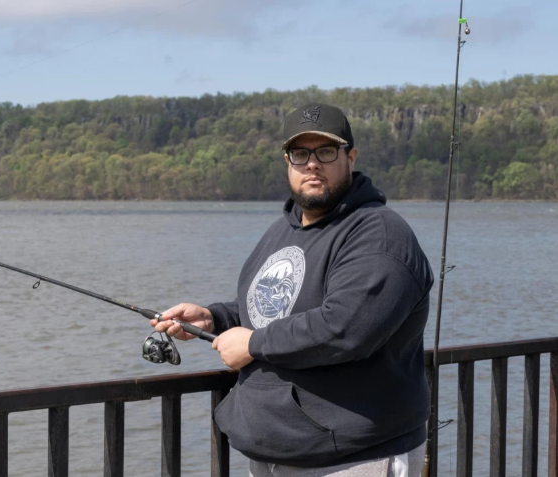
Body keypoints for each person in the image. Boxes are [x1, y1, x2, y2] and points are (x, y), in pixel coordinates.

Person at [153, 103, 433, 477]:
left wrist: (252, 344)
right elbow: (275, 307)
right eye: (300, 154)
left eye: (326, 151)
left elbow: (346, 329)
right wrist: (215, 318)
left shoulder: (379, 235)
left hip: (353, 458)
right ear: (288, 161)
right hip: (274, 450)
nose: (312, 164)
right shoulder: (282, 230)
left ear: (351, 157)